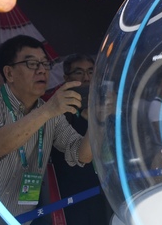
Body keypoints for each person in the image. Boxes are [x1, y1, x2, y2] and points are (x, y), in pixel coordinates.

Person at [0, 35, 93, 225]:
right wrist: (48, 110)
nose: (42, 70)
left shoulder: (51, 113)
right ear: (9, 73)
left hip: (24, 219)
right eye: (32, 64)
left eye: (45, 63)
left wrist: (97, 122)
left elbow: (81, 155)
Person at [50, 53, 111, 225]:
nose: (86, 78)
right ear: (65, 78)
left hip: (107, 192)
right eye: (79, 72)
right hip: (74, 193)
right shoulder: (57, 112)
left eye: (91, 72)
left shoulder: (108, 105)